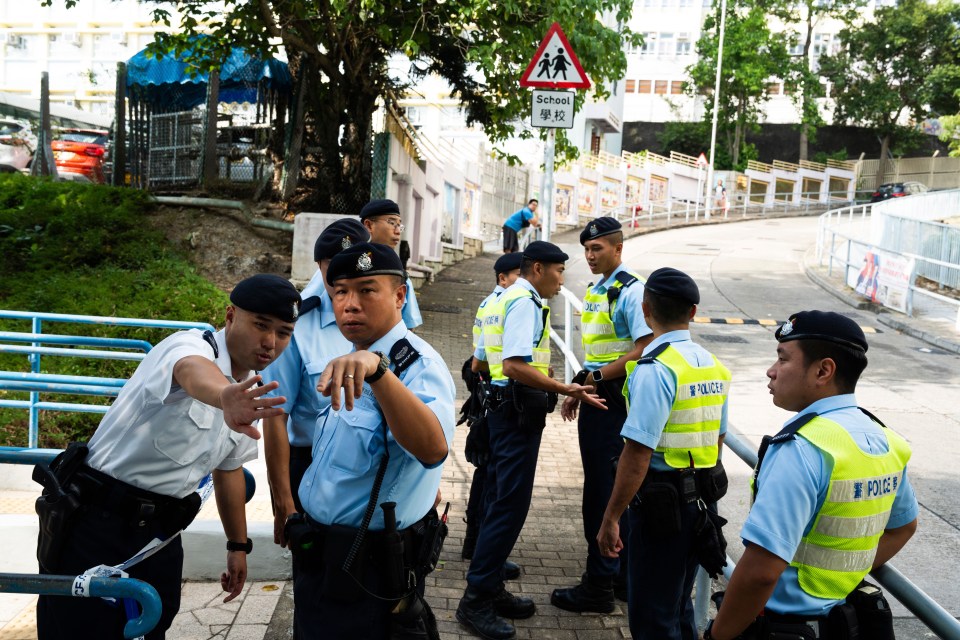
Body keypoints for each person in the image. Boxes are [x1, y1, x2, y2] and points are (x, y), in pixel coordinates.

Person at [35, 274, 302, 640]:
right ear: (230, 316)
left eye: (284, 332)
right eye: (260, 325)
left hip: (161, 536)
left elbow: (229, 470)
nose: (270, 342)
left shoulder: (250, 390)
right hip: (97, 523)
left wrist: (238, 547)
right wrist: (225, 395)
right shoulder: (190, 346)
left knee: (154, 626)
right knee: (81, 628)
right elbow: (190, 370)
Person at [704, 311, 919, 640]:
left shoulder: (802, 449)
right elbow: (903, 527)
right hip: (846, 622)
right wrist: (842, 576)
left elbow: (761, 573)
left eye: (782, 358)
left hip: (787, 627)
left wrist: (717, 635)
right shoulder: (888, 440)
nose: (771, 371)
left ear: (823, 370)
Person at [289, 241, 456, 639]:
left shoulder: (416, 365)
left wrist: (380, 373)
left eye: (366, 290)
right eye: (340, 292)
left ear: (400, 296)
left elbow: (433, 450)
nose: (349, 304)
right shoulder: (347, 356)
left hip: (371, 569)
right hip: (322, 554)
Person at [457, 240, 606, 640]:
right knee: (510, 506)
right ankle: (475, 601)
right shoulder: (524, 301)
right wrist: (565, 388)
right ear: (538, 268)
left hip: (503, 410)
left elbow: (485, 363)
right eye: (559, 271)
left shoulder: (501, 300)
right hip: (515, 415)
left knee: (502, 501)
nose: (563, 280)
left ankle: (489, 587)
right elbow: (513, 365)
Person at [597, 267, 731, 640]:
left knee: (653, 618)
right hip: (702, 503)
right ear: (692, 312)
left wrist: (611, 518)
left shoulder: (654, 369)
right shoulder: (713, 365)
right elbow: (717, 440)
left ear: (645, 310)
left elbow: (637, 455)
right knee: (679, 606)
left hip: (661, 509)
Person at [552, 217, 653, 614]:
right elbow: (599, 353)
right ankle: (620, 578)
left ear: (618, 249)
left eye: (598, 249)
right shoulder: (598, 289)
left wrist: (594, 377)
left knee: (603, 494)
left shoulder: (631, 290)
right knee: (605, 488)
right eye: (587, 250)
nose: (591, 256)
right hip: (599, 392)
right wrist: (584, 381)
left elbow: (646, 347)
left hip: (616, 399)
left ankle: (600, 584)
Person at [262, 218, 369, 549]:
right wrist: (284, 505)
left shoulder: (383, 314)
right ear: (320, 268)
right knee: (315, 576)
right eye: (334, 272)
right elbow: (275, 416)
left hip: (369, 461)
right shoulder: (297, 325)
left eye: (357, 271)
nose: (345, 280)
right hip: (313, 464)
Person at [462, 251, 524, 560]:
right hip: (495, 395)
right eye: (518, 274)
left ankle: (475, 543)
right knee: (490, 476)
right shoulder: (505, 303)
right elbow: (479, 362)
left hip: (487, 394)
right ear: (503, 278)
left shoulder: (492, 302)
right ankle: (479, 546)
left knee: (486, 472)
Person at [360, 198, 423, 329]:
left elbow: (408, 326)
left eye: (399, 225)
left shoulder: (399, 273)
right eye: (392, 222)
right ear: (369, 225)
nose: (398, 231)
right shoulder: (344, 264)